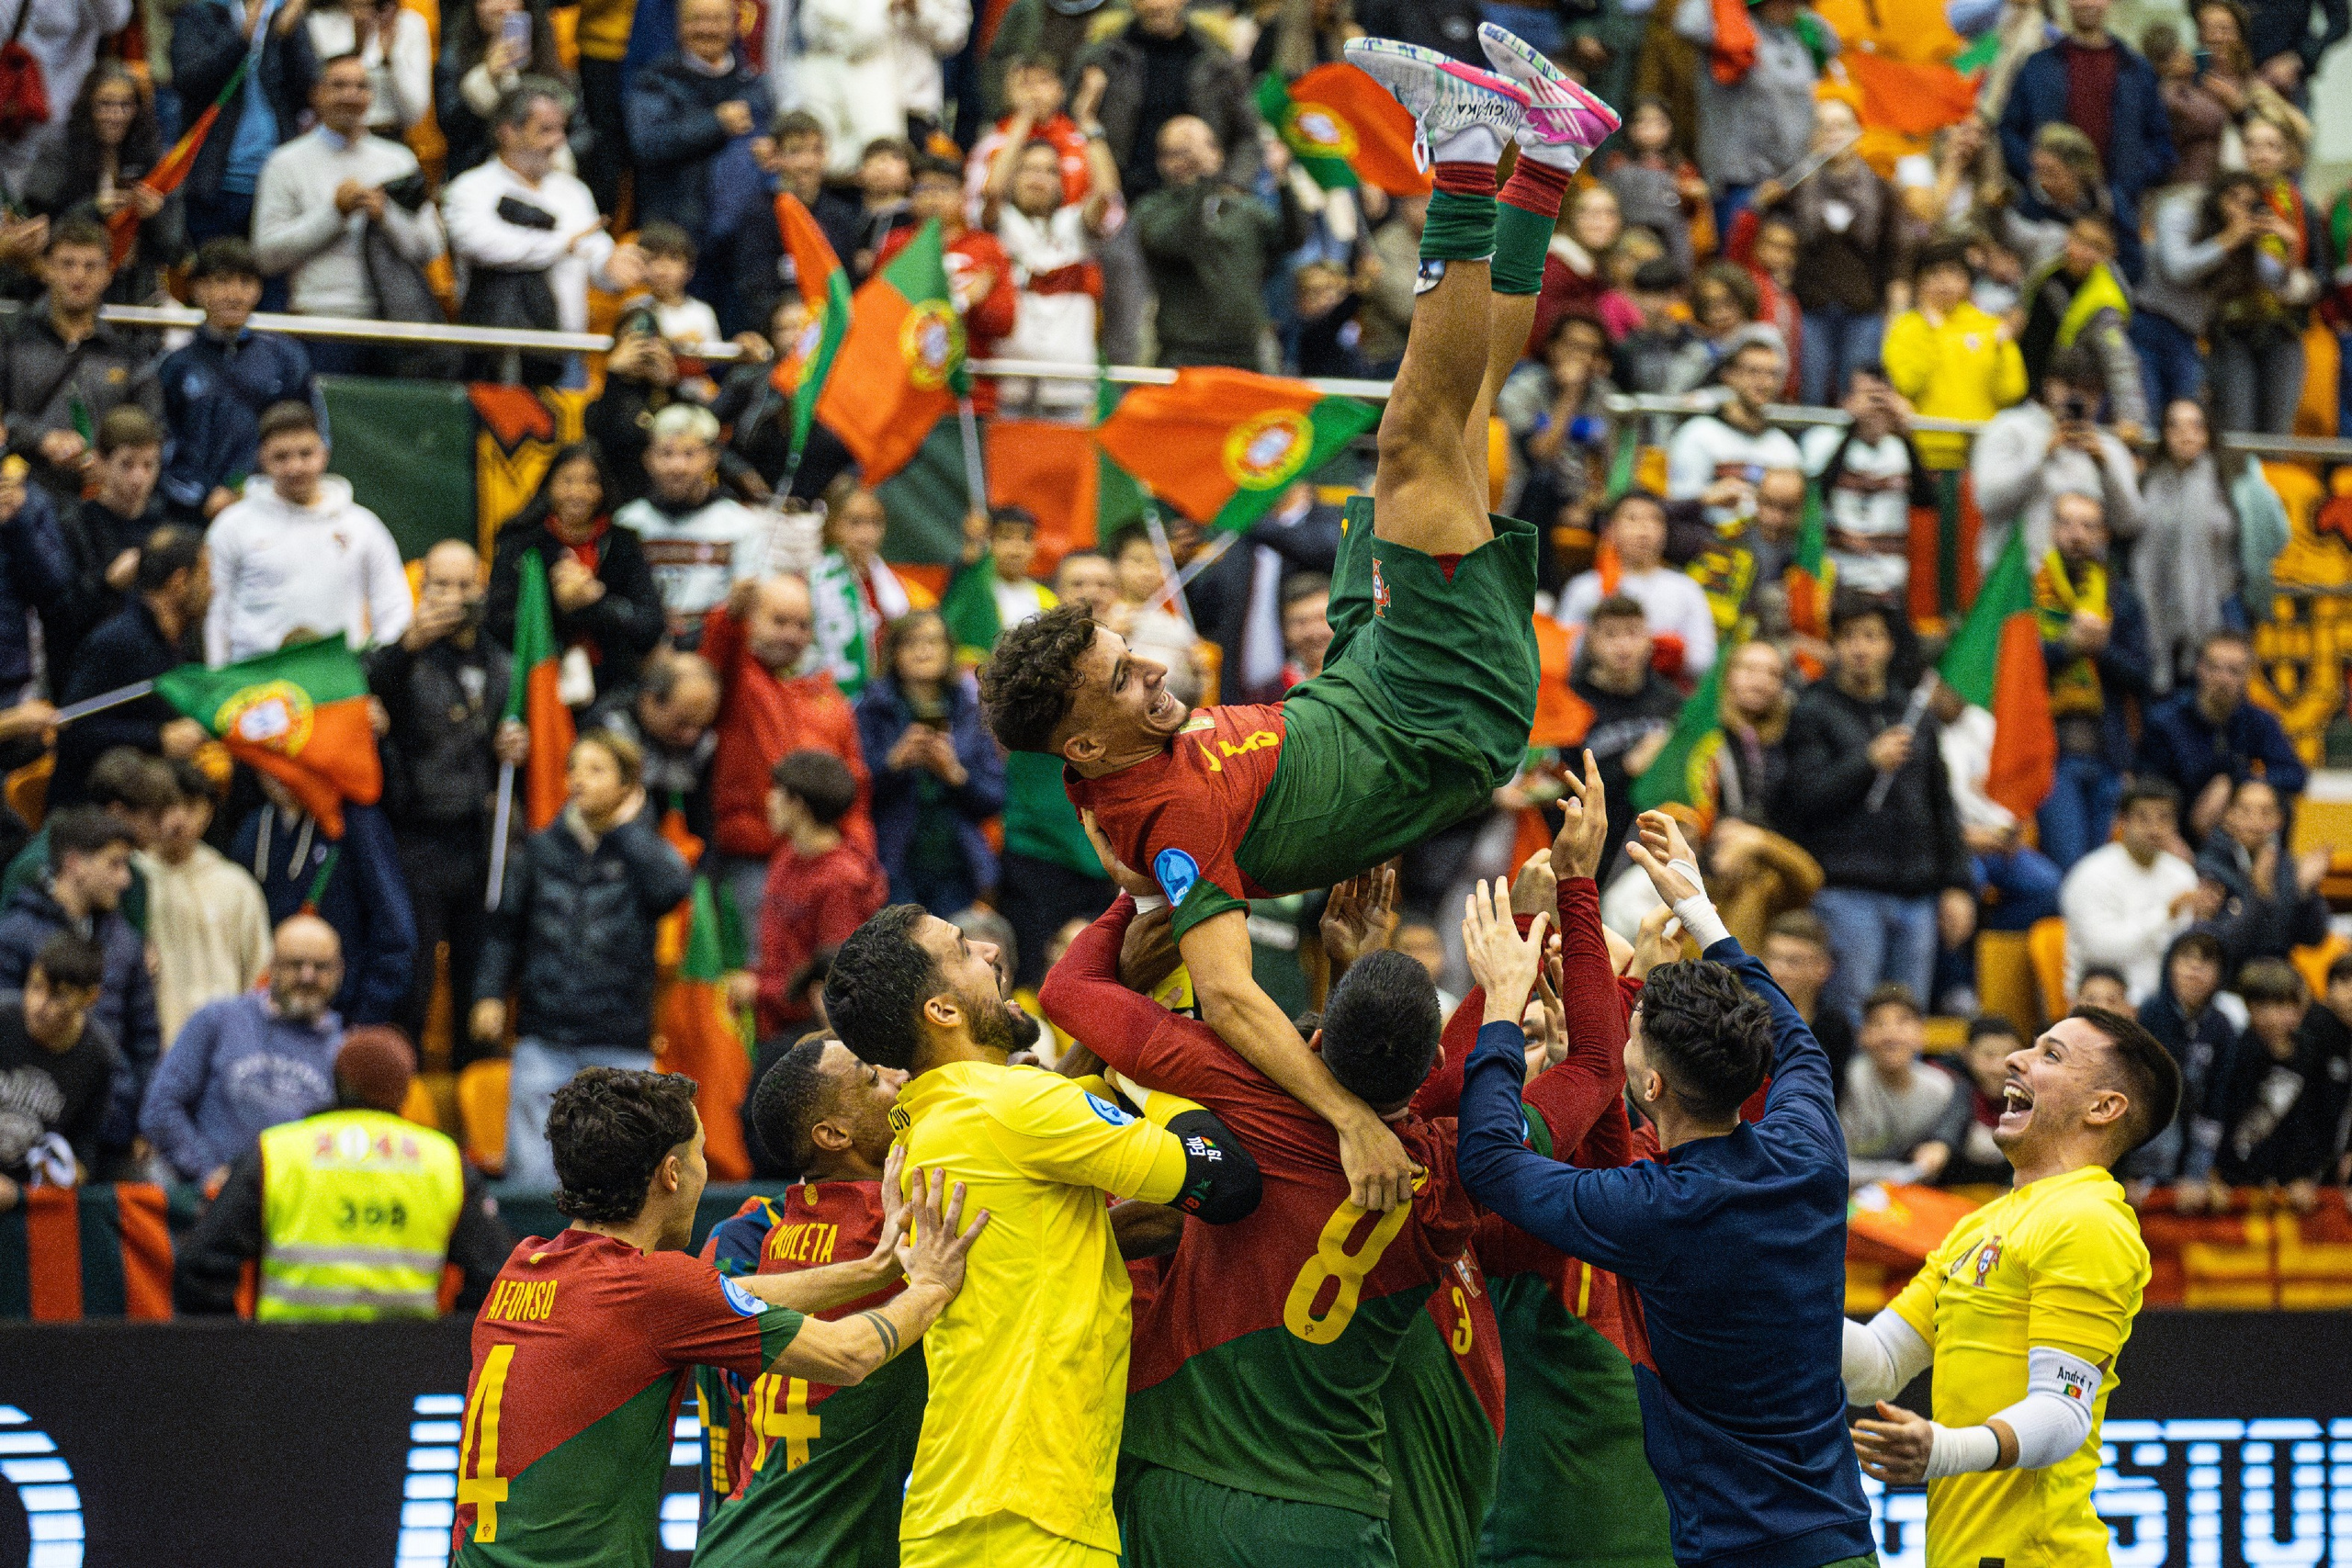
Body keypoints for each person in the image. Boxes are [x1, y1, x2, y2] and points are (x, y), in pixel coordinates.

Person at [986, 33, 1614, 1208]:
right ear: (1082, 744)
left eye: (1131, 653)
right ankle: (1468, 161)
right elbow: (1219, 993)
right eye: (1123, 684)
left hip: (1373, 683)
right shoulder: (1155, 824)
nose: (1154, 674)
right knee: (1416, 441)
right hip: (1431, 709)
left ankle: (1545, 164)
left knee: (1459, 416)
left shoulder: (1130, 804)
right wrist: (1341, 1121)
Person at [1456, 810, 1876, 1568]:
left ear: (1649, 1084)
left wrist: (1497, 1003)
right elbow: (1798, 1041)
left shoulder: (1655, 1209)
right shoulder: (1811, 1150)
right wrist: (1701, 911)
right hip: (1843, 1543)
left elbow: (1486, 1158)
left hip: (1734, 1552)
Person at [1035, 872, 1473, 1568]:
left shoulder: (1237, 1090)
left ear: (1317, 1037)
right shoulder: (1449, 1176)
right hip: (1330, 1509)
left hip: (1171, 1474)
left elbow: (1065, 993)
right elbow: (1568, 1074)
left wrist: (1138, 884)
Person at [820, 898, 1261, 1568]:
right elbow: (1227, 1180)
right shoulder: (1012, 1107)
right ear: (941, 1011)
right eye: (965, 951)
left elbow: (1056, 1164)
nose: (994, 952)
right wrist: (1137, 1050)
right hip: (1032, 1522)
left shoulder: (935, 1127)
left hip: (964, 1517)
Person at [446, 1066, 985, 1563]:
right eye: (702, 1154)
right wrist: (932, 1286)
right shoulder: (657, 1289)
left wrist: (871, 1271)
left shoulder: (525, 1268)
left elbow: (727, 1294)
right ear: (672, 1174)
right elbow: (849, 1355)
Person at [1839, 1003, 2179, 1568]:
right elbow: (1876, 1365)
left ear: (2104, 1107)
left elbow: (2062, 1412)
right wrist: (1768, 1296)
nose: (2016, 1058)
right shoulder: (1981, 1223)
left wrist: (1943, 1449)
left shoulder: (2089, 1219)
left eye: (2051, 1054)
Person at [690, 1041, 931, 1568]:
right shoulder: (890, 1223)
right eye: (872, 1077)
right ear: (833, 1134)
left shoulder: (777, 1232)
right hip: (797, 1552)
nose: (899, 1074)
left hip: (744, 1537)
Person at [472, 730, 693, 1192]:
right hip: (544, 1035)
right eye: (575, 768)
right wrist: (489, 994)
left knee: (630, 1177)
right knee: (533, 1178)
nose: (579, 780)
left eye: (596, 770)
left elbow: (673, 889)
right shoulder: (539, 849)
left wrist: (628, 830)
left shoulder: (641, 853)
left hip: (620, 1039)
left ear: (627, 786)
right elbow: (502, 930)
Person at [173, 1027, 511, 1317]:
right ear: (406, 1092)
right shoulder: (443, 1159)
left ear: (336, 1081)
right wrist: (449, 1345)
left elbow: (201, 1265)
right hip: (406, 1363)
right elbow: (496, 1275)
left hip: (286, 1366)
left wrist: (235, 1350)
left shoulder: (279, 1151)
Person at [1779, 600, 1973, 1025]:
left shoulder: (1914, 712)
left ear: (1889, 646)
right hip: (1848, 893)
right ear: (1834, 645)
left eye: (1871, 636)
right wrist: (1867, 761)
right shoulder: (1812, 710)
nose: (1859, 648)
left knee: (1908, 1023)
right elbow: (1802, 799)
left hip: (1916, 896)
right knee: (1851, 1018)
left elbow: (1942, 805)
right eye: (1848, 637)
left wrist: (1958, 884)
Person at [368, 541, 526, 1063]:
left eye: (465, 586)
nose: (455, 598)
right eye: (441, 585)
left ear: (482, 590)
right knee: (411, 979)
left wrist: (516, 747)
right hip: (416, 837)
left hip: (480, 839)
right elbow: (368, 699)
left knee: (477, 977)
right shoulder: (399, 658)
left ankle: (472, 1108)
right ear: (421, 587)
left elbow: (521, 747)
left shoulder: (503, 663)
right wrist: (405, 646)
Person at [702, 574, 873, 950]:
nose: (792, 634)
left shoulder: (832, 702)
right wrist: (729, 618)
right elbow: (713, 665)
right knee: (761, 973)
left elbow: (855, 787)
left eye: (802, 625)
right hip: (753, 859)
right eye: (779, 621)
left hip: (826, 863)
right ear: (753, 620)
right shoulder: (740, 682)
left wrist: (861, 858)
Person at [251, 52, 446, 374]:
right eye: (339, 85)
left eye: (361, 86)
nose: (351, 95)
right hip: (322, 323)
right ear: (317, 93)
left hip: (395, 324)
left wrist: (387, 216)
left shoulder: (399, 160)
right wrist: (334, 214)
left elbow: (431, 246)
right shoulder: (285, 163)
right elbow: (266, 256)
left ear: (371, 96)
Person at [441, 78, 644, 378]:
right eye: (545, 130)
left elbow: (596, 253)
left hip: (568, 352)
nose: (558, 142)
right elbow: (481, 244)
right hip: (499, 354)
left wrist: (612, 267)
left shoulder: (572, 191)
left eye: (561, 130)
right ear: (508, 132)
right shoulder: (471, 188)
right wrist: (564, 244)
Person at [139, 914, 347, 1184]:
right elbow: (160, 1107)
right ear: (271, 965)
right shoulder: (218, 1020)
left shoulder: (345, 1051)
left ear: (339, 972)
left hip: (295, 1206)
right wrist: (209, 1172)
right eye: (295, 965)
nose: (307, 976)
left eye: (321, 967)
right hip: (207, 1201)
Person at [203, 401, 412, 665]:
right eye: (281, 456)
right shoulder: (231, 526)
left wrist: (380, 675)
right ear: (262, 458)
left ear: (324, 454)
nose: (295, 467)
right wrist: (220, 681)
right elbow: (217, 615)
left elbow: (392, 606)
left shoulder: (363, 526)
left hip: (339, 682)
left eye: (305, 454)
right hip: (256, 684)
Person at [0, 807, 158, 1151]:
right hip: (29, 1120)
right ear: (75, 864)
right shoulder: (14, 934)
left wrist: (140, 1120)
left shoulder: (125, 943)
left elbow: (145, 1040)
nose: (125, 880)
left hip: (112, 1128)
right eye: (114, 864)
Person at [154, 238, 322, 529]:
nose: (234, 294)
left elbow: (312, 434)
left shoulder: (287, 357)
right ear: (198, 288)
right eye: (221, 281)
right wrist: (201, 496)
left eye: (245, 282)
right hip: (189, 517)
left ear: (258, 291)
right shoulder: (174, 366)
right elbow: (160, 446)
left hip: (273, 513)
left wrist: (249, 491)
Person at [1996, 0, 2177, 267]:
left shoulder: (2136, 69)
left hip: (2117, 216)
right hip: (2046, 215)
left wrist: (2130, 182)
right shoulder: (2038, 66)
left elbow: (2162, 144)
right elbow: (2009, 130)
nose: (2088, 3)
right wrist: (2042, 175)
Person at [622, 0, 775, 318]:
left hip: (740, 246)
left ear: (735, 24)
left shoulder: (754, 85)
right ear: (678, 26)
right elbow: (647, 144)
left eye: (717, 20)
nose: (707, 29)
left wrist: (772, 157)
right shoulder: (655, 80)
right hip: (676, 240)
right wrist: (715, 124)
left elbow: (769, 150)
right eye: (696, 20)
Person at [488, 443, 667, 706]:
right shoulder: (522, 545)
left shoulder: (622, 543)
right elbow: (497, 624)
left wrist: (596, 603)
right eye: (567, 481)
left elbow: (650, 625)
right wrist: (556, 603)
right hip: (535, 683)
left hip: (612, 686)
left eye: (590, 482)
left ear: (603, 489)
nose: (578, 493)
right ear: (550, 485)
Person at [0, 220, 164, 504]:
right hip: (19, 493)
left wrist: (110, 464)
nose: (79, 276)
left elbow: (152, 430)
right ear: (47, 269)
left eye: (91, 266)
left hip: (100, 499)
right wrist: (42, 439)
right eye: (67, 264)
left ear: (107, 274)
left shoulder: (127, 354)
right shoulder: (12, 339)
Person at [230, 776, 414, 1027]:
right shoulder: (253, 828)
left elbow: (395, 931)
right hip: (267, 1017)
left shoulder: (356, 822)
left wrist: (366, 1018)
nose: (281, 772)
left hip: (341, 1018)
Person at [857, 612, 1006, 915]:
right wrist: (894, 763)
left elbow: (996, 797)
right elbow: (852, 791)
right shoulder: (871, 709)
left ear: (949, 651)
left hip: (958, 866)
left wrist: (955, 774)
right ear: (894, 652)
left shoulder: (969, 710)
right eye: (912, 642)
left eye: (933, 642)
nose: (923, 651)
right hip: (890, 863)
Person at [2032, 491, 2151, 869]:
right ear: (2052, 531)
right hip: (2051, 756)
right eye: (2066, 524)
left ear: (2103, 536)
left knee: (2103, 873)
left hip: (2109, 758)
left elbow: (2143, 676)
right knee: (2072, 873)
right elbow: (2013, 670)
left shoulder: (2121, 596)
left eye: (2088, 526)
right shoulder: (2029, 591)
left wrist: (2101, 649)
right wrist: (2066, 645)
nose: (2076, 534)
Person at [52, 527, 209, 810]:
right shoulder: (116, 641)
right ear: (179, 583)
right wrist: (157, 738)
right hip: (95, 813)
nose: (214, 588)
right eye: (206, 576)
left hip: (157, 800)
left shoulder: (188, 640)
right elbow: (73, 728)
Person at [1133, 116, 1305, 370]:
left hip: (1248, 353)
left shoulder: (1243, 208)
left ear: (1220, 154)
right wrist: (1204, 182)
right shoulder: (1152, 209)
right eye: (1181, 152)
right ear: (1161, 162)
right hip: (1184, 355)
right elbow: (1180, 241)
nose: (1193, 158)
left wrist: (1283, 179)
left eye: (1207, 146)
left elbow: (1293, 239)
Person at [1968, 344, 2143, 575]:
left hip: (2082, 589)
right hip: (2013, 584)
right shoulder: (2009, 428)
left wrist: (2105, 467)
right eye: (2069, 386)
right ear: (2049, 384)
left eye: (2090, 390)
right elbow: (1986, 501)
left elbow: (2130, 524)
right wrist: (2042, 455)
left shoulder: (2109, 448)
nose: (2078, 397)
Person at [2204, 118, 2327, 438]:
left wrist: (2291, 253)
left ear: (2287, 156)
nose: (2262, 153)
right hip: (2232, 330)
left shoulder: (2302, 208)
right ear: (2242, 152)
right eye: (2253, 144)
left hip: (2284, 330)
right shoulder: (2218, 201)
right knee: (2236, 435)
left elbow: (2321, 274)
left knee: (2276, 438)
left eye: (2272, 146)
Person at [139, 761, 273, 1050]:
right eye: (167, 806)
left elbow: (259, 970)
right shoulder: (131, 881)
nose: (177, 819)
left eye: (190, 807)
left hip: (226, 1043)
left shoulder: (236, 885)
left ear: (208, 813)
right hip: (151, 1042)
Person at [753, 753, 888, 1042]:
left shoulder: (842, 879)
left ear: (798, 804)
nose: (768, 801)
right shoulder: (787, 856)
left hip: (813, 1034)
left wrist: (759, 989)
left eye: (777, 792)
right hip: (774, 1022)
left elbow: (834, 978)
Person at [26, 62, 185, 307]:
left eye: (125, 105)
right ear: (88, 107)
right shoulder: (59, 153)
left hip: (135, 292)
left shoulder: (153, 160)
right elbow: (39, 232)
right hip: (67, 290)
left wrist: (155, 214)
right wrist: (94, 209)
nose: (116, 115)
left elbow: (176, 251)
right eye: (105, 105)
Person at [171, 0, 320, 254]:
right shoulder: (200, 13)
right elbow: (188, 80)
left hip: (275, 185)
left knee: (274, 287)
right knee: (215, 279)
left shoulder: (285, 14)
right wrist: (241, 40)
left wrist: (292, 34)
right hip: (214, 182)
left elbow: (311, 93)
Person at [615, 403, 773, 640]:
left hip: (715, 651)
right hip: (642, 650)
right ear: (648, 459)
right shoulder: (628, 523)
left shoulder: (742, 525)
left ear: (712, 458)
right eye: (666, 454)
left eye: (689, 454)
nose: (677, 466)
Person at [2137, 629, 2306, 841]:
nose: (2223, 679)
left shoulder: (2259, 721)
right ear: (2199, 669)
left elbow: (2294, 775)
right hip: (2177, 834)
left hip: (2240, 836)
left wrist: (2234, 782)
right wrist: (2170, 841)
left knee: (2274, 801)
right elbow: (2148, 787)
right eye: (2214, 668)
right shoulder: (2165, 721)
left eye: (2234, 671)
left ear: (2247, 676)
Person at [1673, 0, 1821, 238]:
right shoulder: (1730, 28)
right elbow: (1688, 24)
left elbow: (1832, 42)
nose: (1787, 6)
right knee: (1738, 265)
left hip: (1793, 181)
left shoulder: (1797, 39)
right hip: (1741, 181)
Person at [1883, 241, 2029, 478]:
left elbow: (2012, 391)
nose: (1944, 283)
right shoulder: (1905, 327)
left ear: (1967, 281)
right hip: (1923, 457)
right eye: (1934, 274)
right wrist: (1932, 333)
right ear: (1920, 282)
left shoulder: (1989, 327)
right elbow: (1907, 384)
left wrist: (2002, 352)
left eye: (1953, 273)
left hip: (1980, 455)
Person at [1569, 595, 1685, 879]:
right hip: (1588, 844)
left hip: (1653, 839)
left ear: (1649, 640)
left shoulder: (1670, 700)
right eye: (1611, 634)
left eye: (1633, 633)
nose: (1623, 645)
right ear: (1592, 640)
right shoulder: (1571, 701)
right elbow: (1559, 784)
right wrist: (1627, 767)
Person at [1801, 369, 1936, 611]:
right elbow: (1818, 493)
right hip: (1838, 583)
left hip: (1890, 584)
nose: (1876, 407)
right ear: (1847, 401)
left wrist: (1904, 433)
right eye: (1869, 397)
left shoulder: (1898, 446)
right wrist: (1853, 426)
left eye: (1883, 398)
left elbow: (1926, 500)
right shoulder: (1823, 439)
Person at [2136, 400, 2247, 693]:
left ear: (2208, 433)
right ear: (2165, 434)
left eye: (2196, 425)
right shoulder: (2150, 483)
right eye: (2176, 425)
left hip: (2220, 604)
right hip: (2160, 608)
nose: (2187, 434)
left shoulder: (2231, 481)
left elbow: (2259, 538)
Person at [50, 409, 167, 682]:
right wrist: (109, 583)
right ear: (100, 462)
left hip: (155, 667)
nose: (139, 478)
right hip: (91, 669)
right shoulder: (74, 526)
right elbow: (60, 616)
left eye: (149, 465)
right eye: (127, 465)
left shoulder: (163, 521)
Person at [2060, 779, 2201, 1003]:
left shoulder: (2183, 875)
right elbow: (2102, 951)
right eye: (2143, 818)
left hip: (2165, 1000)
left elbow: (2179, 948)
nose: (2154, 829)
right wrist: (2165, 915)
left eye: (2164, 818)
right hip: (2104, 999)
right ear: (2122, 821)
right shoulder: (2091, 874)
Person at [2208, 956, 2336, 1201]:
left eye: (2283, 1005)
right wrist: (2214, 1173)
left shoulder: (2312, 1053)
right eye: (2263, 1006)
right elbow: (2222, 1113)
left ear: (2299, 1008)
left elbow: (2317, 1121)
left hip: (2293, 1186)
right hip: (2235, 1182)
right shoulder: (2237, 1051)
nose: (2273, 1016)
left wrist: (2305, 1176)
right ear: (2248, 1007)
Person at [0, 936, 115, 1204]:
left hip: (29, 1199)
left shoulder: (99, 1058)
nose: (38, 1005)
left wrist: (67, 1176)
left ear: (90, 997)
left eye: (58, 996)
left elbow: (85, 1148)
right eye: (35, 986)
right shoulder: (3, 1021)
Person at [1555, 492, 1717, 680]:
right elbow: (1564, 653)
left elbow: (1705, 659)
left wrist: (1674, 654)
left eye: (1654, 520)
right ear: (1610, 530)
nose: (1644, 529)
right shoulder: (1585, 588)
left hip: (1663, 692)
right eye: (1632, 519)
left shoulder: (1686, 588)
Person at [2124, 930, 2236, 1193]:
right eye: (2187, 957)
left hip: (2195, 1161)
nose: (2195, 968)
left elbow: (2217, 1106)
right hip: (2143, 1158)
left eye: (2207, 960)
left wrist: (2197, 1175)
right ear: (2169, 965)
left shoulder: (2223, 1028)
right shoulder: (2147, 1016)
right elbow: (2136, 1097)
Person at [1662, 334, 1805, 528]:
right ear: (1728, 375)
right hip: (1706, 545)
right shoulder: (1698, 434)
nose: (1764, 382)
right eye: (1753, 372)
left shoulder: (1785, 447)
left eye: (1772, 374)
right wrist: (1706, 499)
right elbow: (1672, 509)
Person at [589, 648, 722, 844]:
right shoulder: (608, 728)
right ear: (650, 700)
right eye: (682, 722)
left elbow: (702, 820)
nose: (691, 737)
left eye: (701, 725)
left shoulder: (703, 742)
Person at [2195, 776, 2330, 968]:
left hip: (2276, 976)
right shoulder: (2210, 866)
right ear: (2228, 815)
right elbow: (2222, 946)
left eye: (2266, 813)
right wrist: (2259, 893)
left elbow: (2313, 939)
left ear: (2279, 820)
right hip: (2229, 976)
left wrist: (2304, 893)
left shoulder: (2286, 864)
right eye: (2245, 811)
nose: (2256, 821)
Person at [434, 0, 570, 179]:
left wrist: (543, 139)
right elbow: (452, 126)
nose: (501, 7)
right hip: (474, 168)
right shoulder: (454, 57)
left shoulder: (543, 55)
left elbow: (577, 127)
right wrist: (486, 76)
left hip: (543, 174)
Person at [1841, 984, 1960, 1186]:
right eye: (1879, 1024)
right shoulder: (1845, 1082)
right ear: (1862, 1036)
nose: (1891, 1035)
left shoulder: (1941, 1088)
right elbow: (1831, 1165)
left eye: (1903, 1022)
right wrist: (1899, 1174)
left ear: (1921, 1035)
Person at [1765, 909, 1856, 1091]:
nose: (1778, 970)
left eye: (1793, 961)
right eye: (1772, 957)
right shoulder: (1742, 1018)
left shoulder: (1835, 1028)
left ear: (1822, 968)